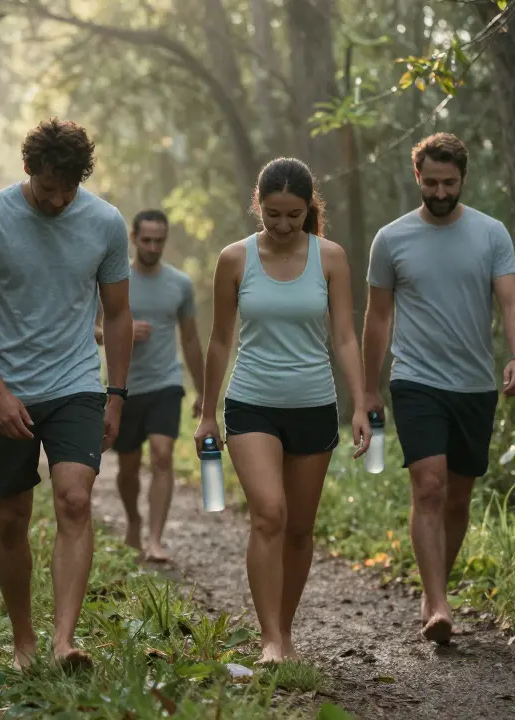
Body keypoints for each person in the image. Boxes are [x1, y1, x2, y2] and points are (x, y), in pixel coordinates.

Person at [0, 117, 132, 671]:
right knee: (11, 517)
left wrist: (116, 393)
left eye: (68, 189)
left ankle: (64, 641)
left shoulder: (104, 222)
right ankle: (23, 640)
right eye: (49, 188)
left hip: (76, 382)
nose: (58, 201)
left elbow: (120, 313)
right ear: (29, 170)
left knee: (75, 500)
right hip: (5, 391)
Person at [193, 157, 371, 665]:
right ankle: (270, 638)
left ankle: (284, 630)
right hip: (251, 403)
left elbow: (343, 336)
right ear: (258, 204)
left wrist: (360, 403)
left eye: (294, 215)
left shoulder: (330, 258)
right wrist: (208, 413)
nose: (284, 225)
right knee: (270, 514)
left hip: (314, 405)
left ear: (309, 209)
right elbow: (221, 340)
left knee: (299, 528)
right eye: (274, 214)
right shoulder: (234, 259)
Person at [361, 133, 515, 645]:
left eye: (448, 183)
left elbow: (513, 301)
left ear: (463, 179)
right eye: (430, 182)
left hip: (475, 384)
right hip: (415, 379)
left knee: (458, 498)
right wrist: (369, 389)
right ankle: (436, 601)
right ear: (417, 177)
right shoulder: (391, 239)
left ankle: (437, 586)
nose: (439, 191)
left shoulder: (491, 233)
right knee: (428, 486)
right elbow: (378, 317)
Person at [93, 209, 205, 563]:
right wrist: (121, 331)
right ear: (133, 238)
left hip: (165, 382)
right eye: (147, 240)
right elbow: (92, 329)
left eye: (160, 240)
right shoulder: (114, 278)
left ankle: (155, 538)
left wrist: (204, 391)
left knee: (162, 455)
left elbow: (190, 340)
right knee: (128, 466)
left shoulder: (180, 284)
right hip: (123, 387)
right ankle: (133, 520)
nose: (154, 247)